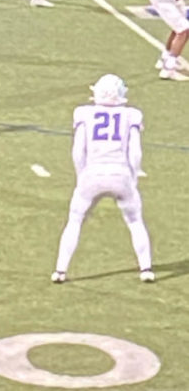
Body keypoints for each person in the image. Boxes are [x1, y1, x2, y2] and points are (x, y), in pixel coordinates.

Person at [51, 74, 154, 284]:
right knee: (135, 221)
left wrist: (82, 175)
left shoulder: (84, 113)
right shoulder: (131, 115)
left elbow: (78, 150)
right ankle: (146, 268)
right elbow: (135, 152)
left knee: (75, 220)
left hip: (93, 173)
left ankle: (60, 270)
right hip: (121, 173)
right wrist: (132, 177)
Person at [148, 0, 189, 80]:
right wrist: (178, 1)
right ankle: (168, 69)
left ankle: (165, 59)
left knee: (178, 28)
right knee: (184, 30)